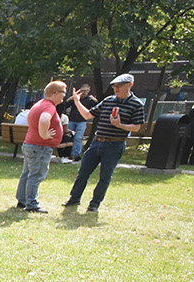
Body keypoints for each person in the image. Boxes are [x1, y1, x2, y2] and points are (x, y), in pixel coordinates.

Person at [62, 72, 145, 212]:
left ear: (130, 85)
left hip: (115, 145)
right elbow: (88, 115)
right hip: (97, 142)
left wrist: (120, 125)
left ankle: (95, 203)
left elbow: (137, 127)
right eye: (115, 86)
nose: (116, 89)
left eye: (120, 86)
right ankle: (74, 198)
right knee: (83, 172)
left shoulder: (136, 104)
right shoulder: (108, 100)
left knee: (105, 176)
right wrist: (77, 101)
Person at [15, 80, 66, 213]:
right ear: (55, 93)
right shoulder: (49, 106)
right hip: (39, 147)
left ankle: (22, 200)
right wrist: (44, 135)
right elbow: (44, 119)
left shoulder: (38, 104)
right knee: (36, 175)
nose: (64, 96)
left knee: (27, 173)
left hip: (30, 144)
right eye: (63, 93)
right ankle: (32, 204)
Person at [61, 83, 98, 163]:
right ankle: (67, 154)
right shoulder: (76, 98)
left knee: (78, 138)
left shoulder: (90, 100)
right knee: (69, 137)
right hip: (72, 120)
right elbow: (65, 105)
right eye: (82, 90)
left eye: (85, 91)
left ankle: (76, 155)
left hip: (82, 121)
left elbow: (96, 107)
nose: (83, 92)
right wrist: (72, 98)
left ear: (89, 91)